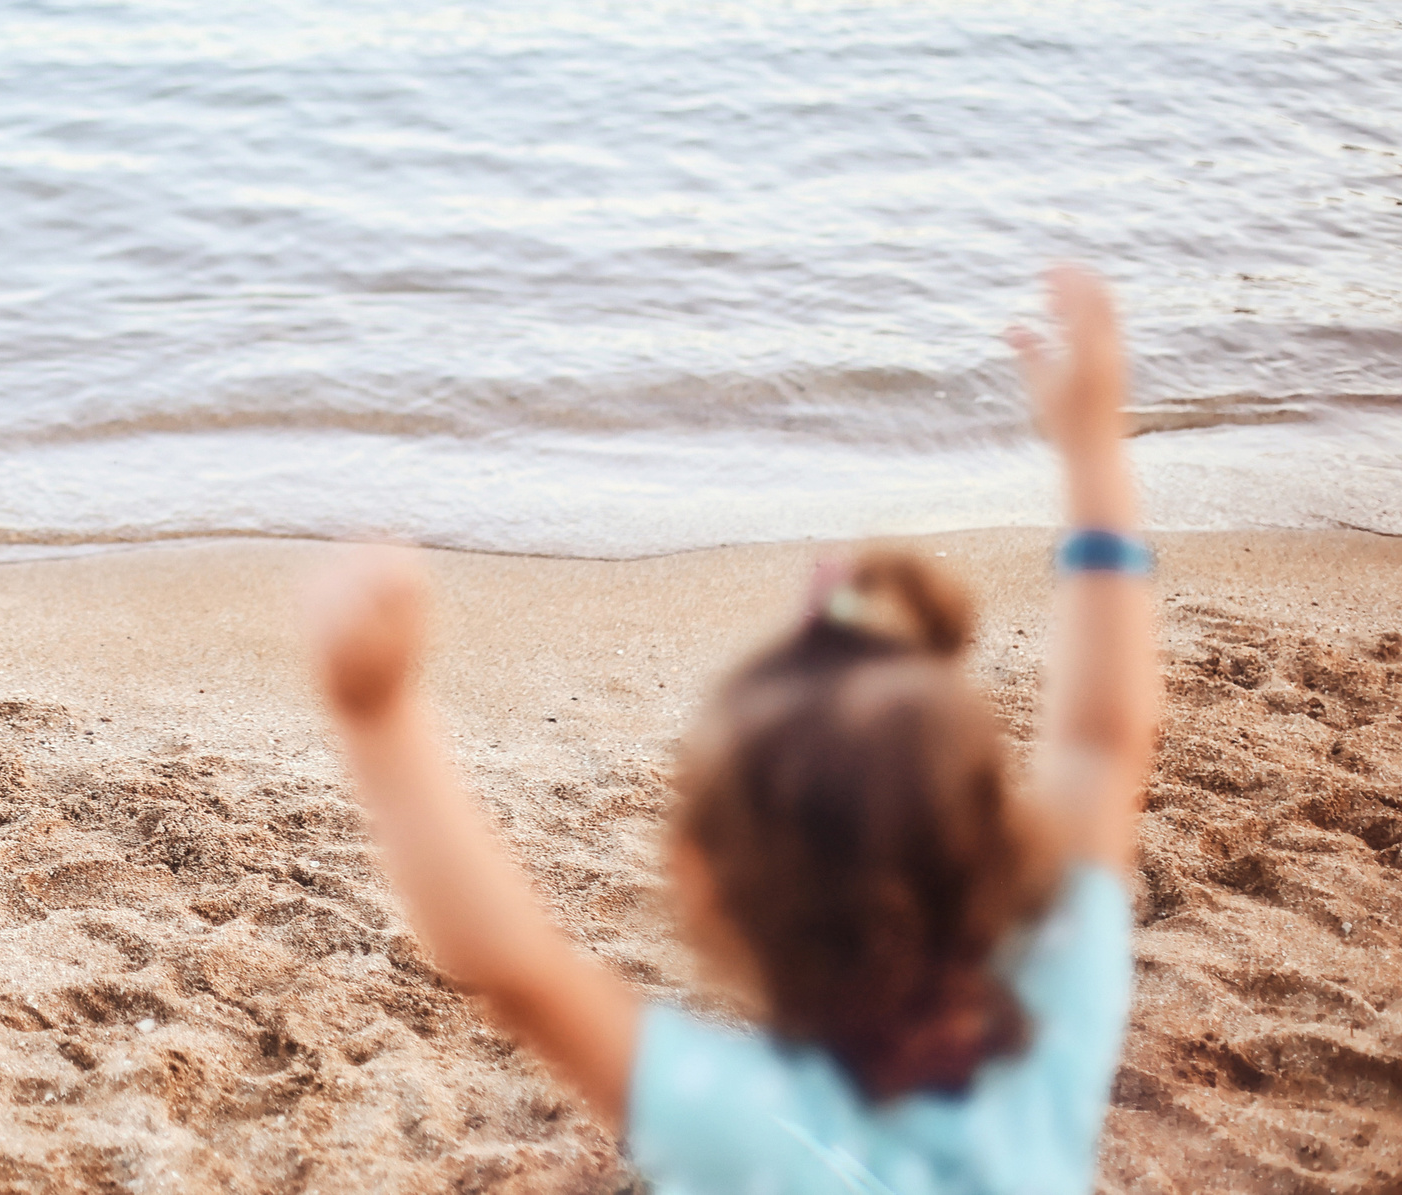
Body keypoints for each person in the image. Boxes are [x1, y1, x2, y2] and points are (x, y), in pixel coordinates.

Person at [306, 267, 1158, 1194]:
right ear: (999, 845)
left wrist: (377, 709)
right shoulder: (1045, 1037)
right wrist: (1093, 450)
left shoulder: (752, 1131)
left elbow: (517, 970)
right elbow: (1099, 741)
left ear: (701, 886)